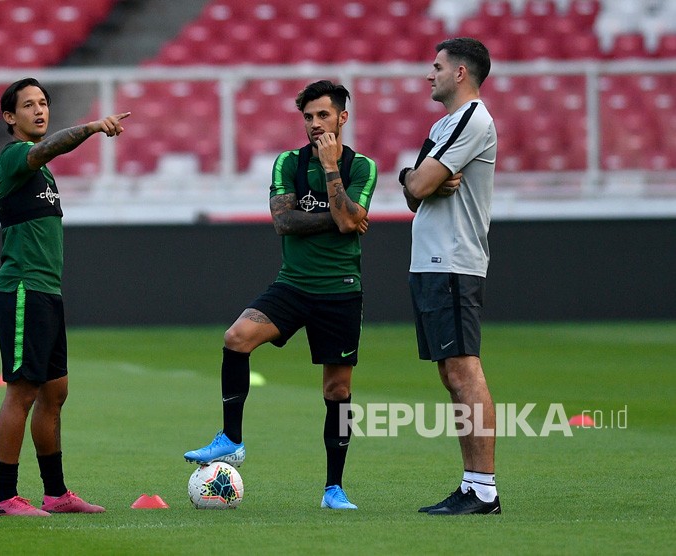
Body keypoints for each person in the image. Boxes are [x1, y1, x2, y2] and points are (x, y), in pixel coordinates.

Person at [184, 80, 377, 510]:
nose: (314, 124)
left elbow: (345, 221)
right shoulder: (287, 162)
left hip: (341, 290)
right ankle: (232, 439)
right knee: (236, 338)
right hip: (293, 284)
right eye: (308, 117)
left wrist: (331, 172)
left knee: (338, 392)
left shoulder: (362, 166)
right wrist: (340, 217)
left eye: (323, 115)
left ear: (342, 117)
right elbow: (285, 222)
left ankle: (333, 489)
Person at [0, 77, 130, 516]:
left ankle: (56, 493)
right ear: (10, 118)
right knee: (22, 392)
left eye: (44, 103)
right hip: (23, 288)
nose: (39, 109)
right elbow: (46, 148)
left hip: (47, 292)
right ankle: (4, 496)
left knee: (54, 394)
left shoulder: (41, 172)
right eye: (28, 105)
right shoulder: (16, 157)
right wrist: (90, 128)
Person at [398, 37, 500, 515]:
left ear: (460, 72)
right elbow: (413, 192)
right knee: (450, 372)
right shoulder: (443, 123)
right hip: (432, 261)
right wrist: (415, 177)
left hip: (454, 261)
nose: (428, 74)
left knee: (464, 370)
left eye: (436, 66)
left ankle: (484, 490)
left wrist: (419, 178)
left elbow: (419, 183)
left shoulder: (472, 118)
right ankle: (471, 485)